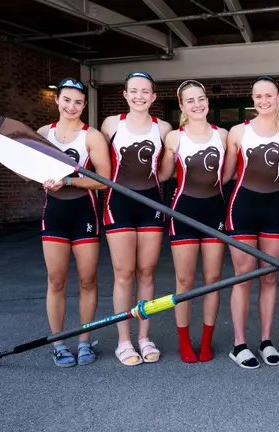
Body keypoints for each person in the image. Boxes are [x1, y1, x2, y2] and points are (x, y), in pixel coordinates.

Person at [0, 77, 111, 367]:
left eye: (78, 101)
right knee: (56, 281)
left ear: (84, 104)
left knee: (88, 280)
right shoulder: (43, 133)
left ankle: (84, 340)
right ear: (57, 101)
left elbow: (105, 181)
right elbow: (27, 172)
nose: (71, 106)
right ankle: (59, 343)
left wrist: (68, 180)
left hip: (84, 213)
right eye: (66, 100)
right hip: (54, 213)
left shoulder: (91, 136)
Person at [222, 75, 279, 369]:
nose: (264, 101)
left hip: (274, 208)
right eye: (258, 96)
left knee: (269, 275)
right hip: (242, 206)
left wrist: (278, 180)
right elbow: (227, 174)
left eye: (269, 95)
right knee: (242, 275)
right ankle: (239, 344)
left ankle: (266, 340)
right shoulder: (238, 132)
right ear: (253, 99)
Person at [100, 71, 173, 366]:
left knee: (146, 272)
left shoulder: (164, 128)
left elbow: (168, 169)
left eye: (146, 91)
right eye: (134, 91)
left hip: (151, 203)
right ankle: (124, 341)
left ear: (153, 97)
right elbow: (93, 158)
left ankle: (144, 337)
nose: (140, 96)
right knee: (123, 273)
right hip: (118, 203)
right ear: (125, 95)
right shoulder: (110, 125)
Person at [159, 79, 228, 363]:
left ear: (208, 102)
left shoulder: (223, 135)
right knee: (185, 280)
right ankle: (185, 341)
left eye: (201, 98)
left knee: (212, 279)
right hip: (183, 211)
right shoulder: (174, 138)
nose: (197, 104)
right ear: (181, 105)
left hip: (215, 211)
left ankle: (207, 340)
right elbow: (162, 175)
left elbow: (228, 175)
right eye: (190, 100)